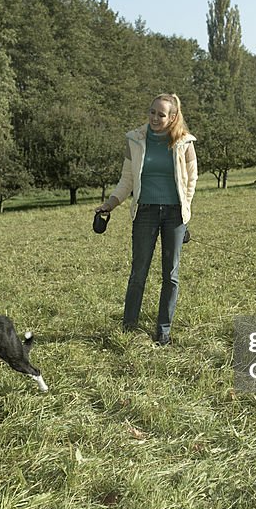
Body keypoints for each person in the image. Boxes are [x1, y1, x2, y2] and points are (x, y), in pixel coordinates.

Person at [95, 93, 198, 345]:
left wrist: (185, 210)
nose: (154, 118)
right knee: (138, 272)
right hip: (145, 212)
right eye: (152, 112)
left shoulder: (185, 142)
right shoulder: (135, 140)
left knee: (170, 274)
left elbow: (191, 179)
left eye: (161, 114)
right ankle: (129, 327)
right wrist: (111, 203)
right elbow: (127, 179)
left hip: (174, 213)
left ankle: (163, 331)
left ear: (172, 117)